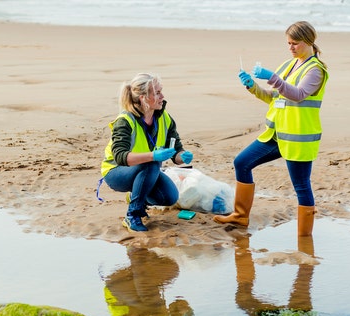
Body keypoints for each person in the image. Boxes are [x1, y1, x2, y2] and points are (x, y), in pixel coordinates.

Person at [213, 21, 329, 236]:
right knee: (242, 162)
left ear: (309, 41)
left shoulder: (316, 70)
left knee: (301, 186)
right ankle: (240, 217)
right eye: (288, 43)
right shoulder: (288, 64)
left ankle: (305, 238)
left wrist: (272, 78)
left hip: (298, 138)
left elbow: (298, 94)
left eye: (295, 43)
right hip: (276, 134)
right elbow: (273, 97)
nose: (291, 47)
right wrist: (251, 86)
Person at [101, 73, 194, 232]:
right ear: (143, 98)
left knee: (170, 197)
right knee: (151, 164)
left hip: (146, 170)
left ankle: (136, 197)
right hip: (116, 172)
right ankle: (132, 215)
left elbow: (176, 152)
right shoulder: (125, 121)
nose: (162, 96)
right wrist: (153, 156)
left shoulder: (165, 118)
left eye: (161, 91)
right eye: (157, 93)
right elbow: (121, 157)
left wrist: (182, 156)